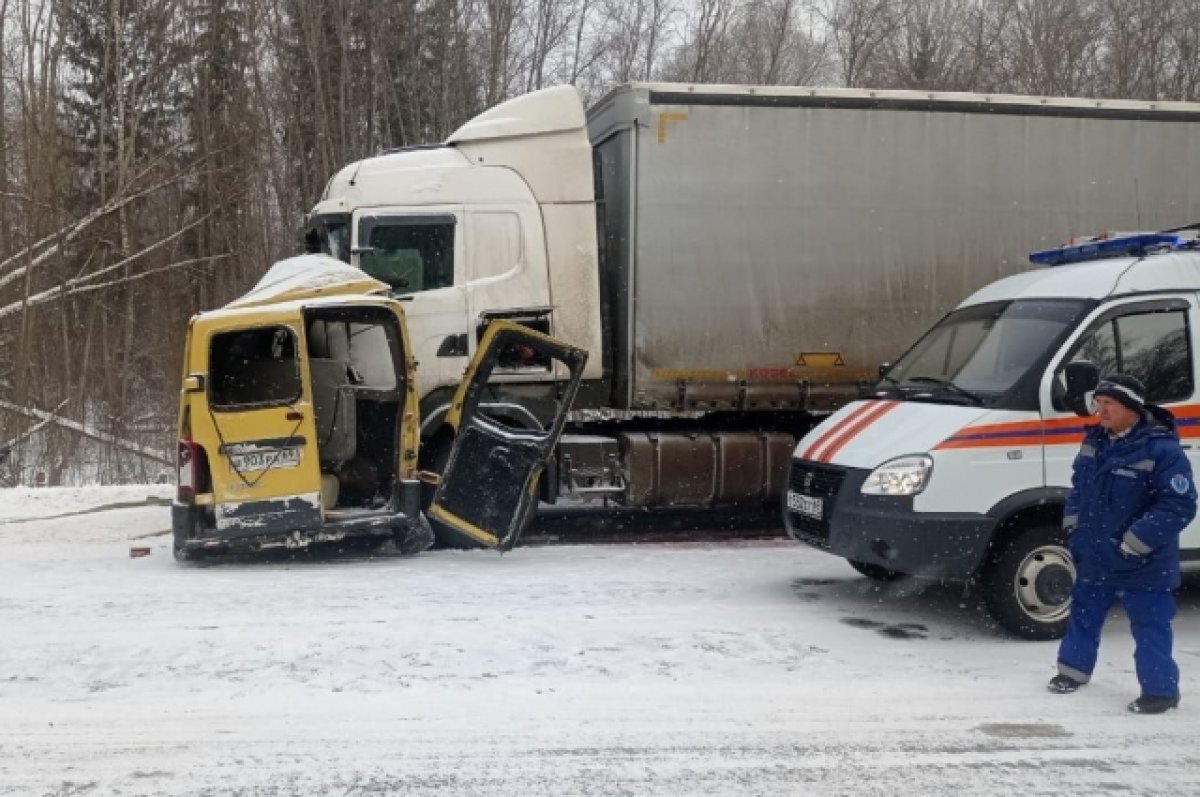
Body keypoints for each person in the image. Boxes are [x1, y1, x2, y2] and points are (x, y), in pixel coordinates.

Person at [1048, 374, 1197, 713]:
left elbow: (1179, 504)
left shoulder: (1163, 450)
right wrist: (1074, 526)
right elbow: (1079, 489)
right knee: (1083, 615)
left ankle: (1160, 692)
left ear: (1130, 407)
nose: (1100, 412)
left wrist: (1136, 542)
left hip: (1143, 560)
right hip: (1095, 552)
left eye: (1108, 405)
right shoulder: (1095, 442)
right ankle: (1073, 671)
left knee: (1150, 626)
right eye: (1098, 404)